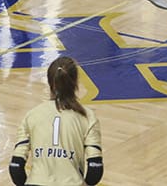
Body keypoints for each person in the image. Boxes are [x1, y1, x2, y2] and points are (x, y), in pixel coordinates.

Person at [9, 56, 103, 186]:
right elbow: (95, 169)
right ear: (75, 82)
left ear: (49, 82)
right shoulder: (88, 117)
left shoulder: (32, 115)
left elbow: (15, 167)